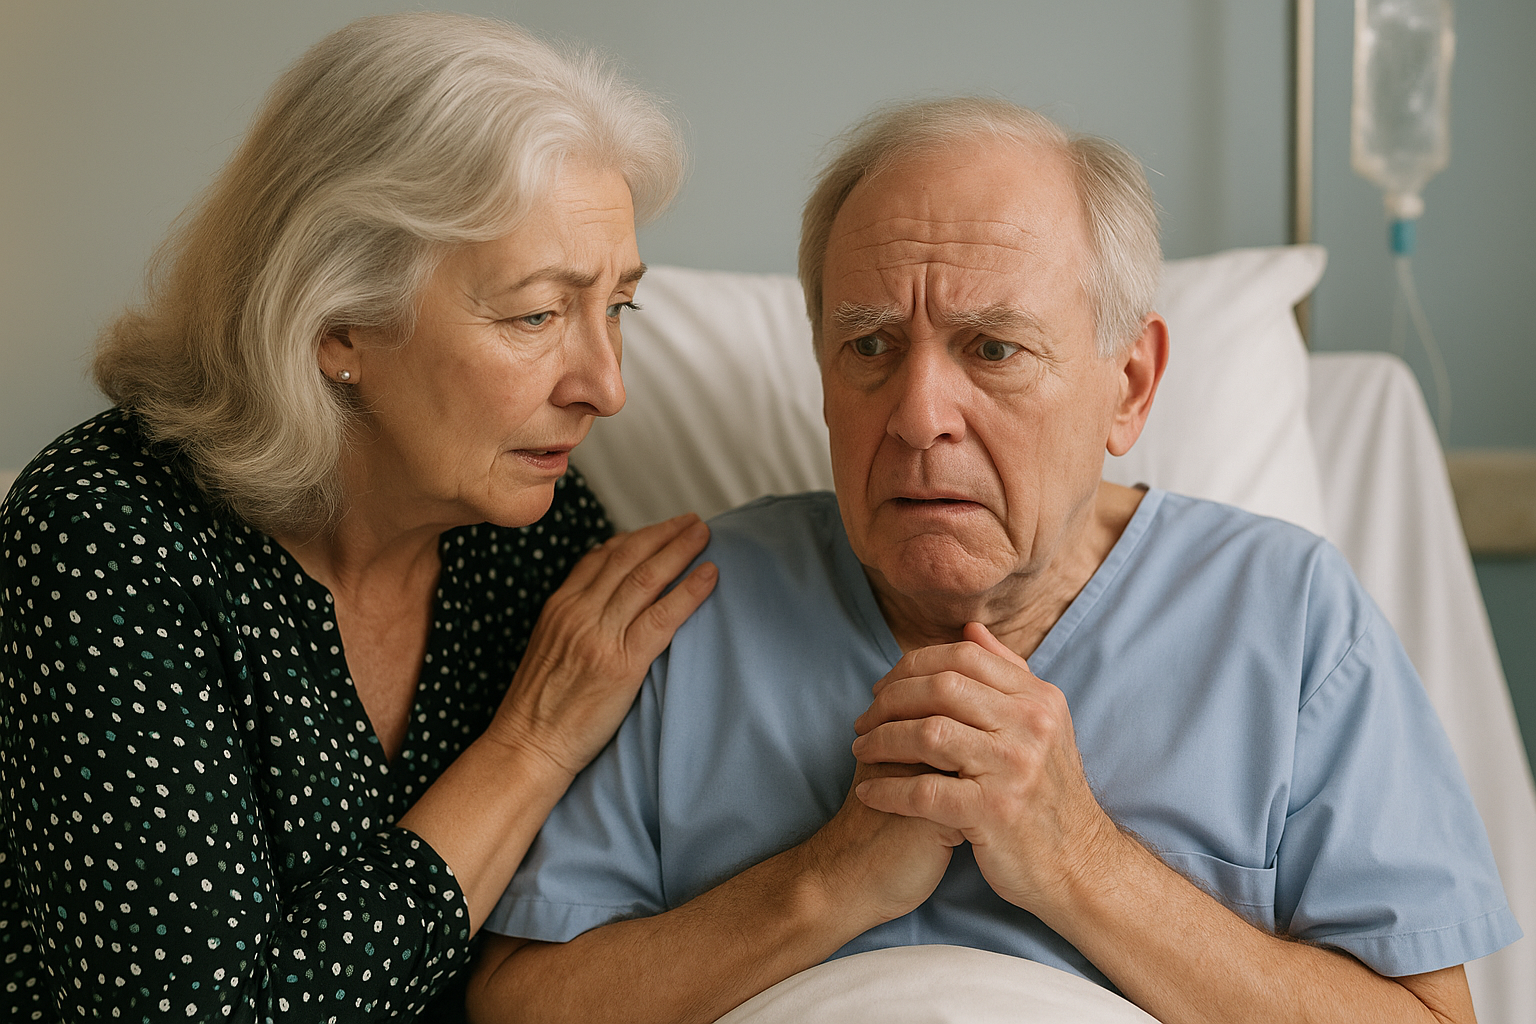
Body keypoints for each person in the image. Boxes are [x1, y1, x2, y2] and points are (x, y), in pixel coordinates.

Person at [467, 98, 1520, 1024]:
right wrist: (825, 882)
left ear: (1130, 386)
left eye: (994, 348)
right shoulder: (684, 611)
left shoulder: (1289, 619)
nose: (919, 415)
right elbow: (520, 1003)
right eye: (870, 346)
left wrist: (1077, 860)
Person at [0, 13, 719, 1023]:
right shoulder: (103, 539)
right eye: (537, 314)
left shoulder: (530, 531)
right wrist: (531, 745)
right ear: (339, 324)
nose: (606, 386)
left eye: (618, 308)